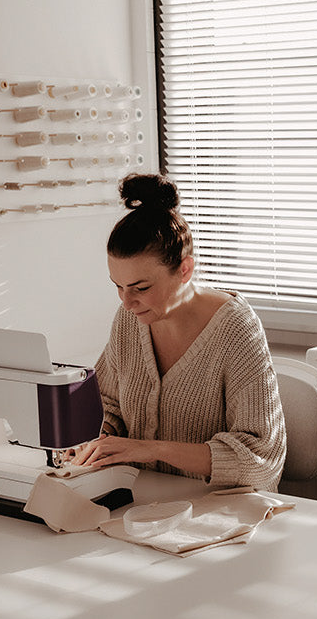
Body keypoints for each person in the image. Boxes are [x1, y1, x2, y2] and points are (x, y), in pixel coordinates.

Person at [70, 173, 287, 490]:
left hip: (222, 512)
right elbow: (108, 402)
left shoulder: (236, 328)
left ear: (185, 269)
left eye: (140, 287)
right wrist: (101, 434)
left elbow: (261, 460)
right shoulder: (131, 318)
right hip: (146, 500)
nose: (127, 301)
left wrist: (151, 449)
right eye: (118, 286)